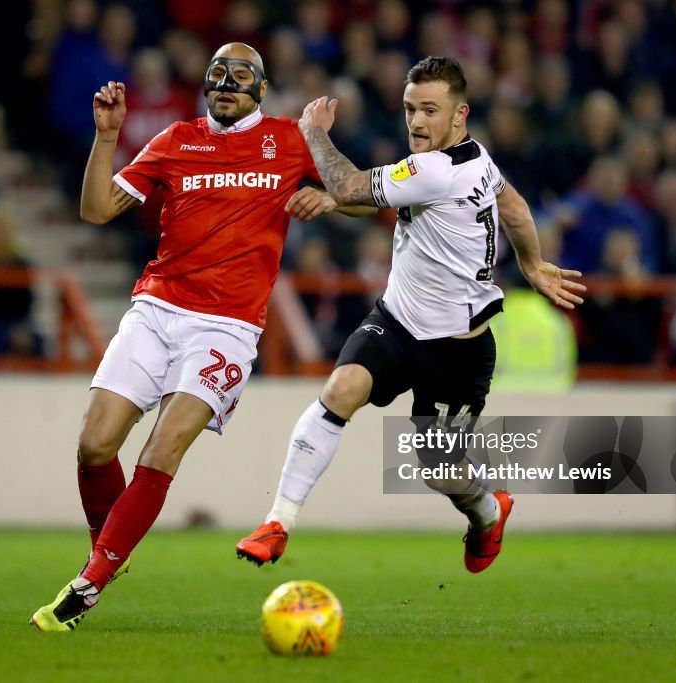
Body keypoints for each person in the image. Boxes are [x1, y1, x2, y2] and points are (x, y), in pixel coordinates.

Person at [30, 42, 372, 632]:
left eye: (242, 75)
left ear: (262, 90)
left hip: (228, 327)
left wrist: (331, 198)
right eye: (218, 73)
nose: (228, 82)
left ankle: (89, 584)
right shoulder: (174, 140)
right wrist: (106, 136)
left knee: (162, 449)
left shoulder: (290, 140)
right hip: (156, 309)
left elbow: (367, 195)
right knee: (93, 445)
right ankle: (108, 548)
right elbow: (95, 209)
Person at [236, 56, 585, 574]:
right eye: (408, 109)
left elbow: (356, 186)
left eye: (429, 110)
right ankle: (277, 522)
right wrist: (532, 264)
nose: (416, 122)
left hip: (458, 349)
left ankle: (489, 510)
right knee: (340, 390)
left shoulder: (434, 169)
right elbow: (511, 207)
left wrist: (312, 133)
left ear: (459, 113)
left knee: (439, 470)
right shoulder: (474, 159)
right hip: (398, 321)